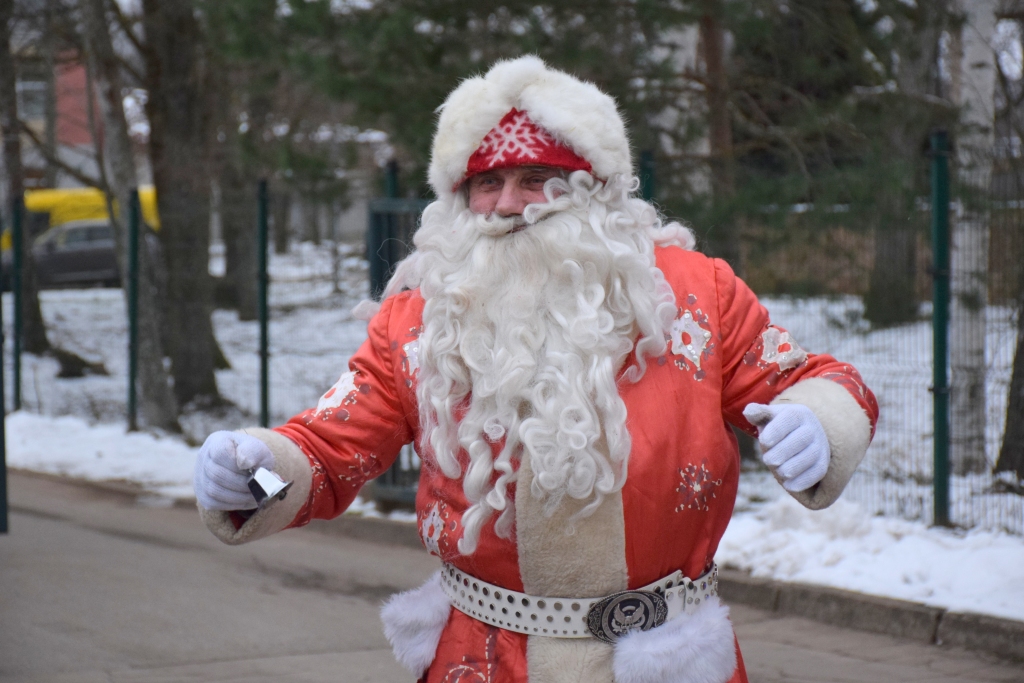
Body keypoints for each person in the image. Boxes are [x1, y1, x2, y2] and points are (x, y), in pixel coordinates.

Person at [193, 56, 878, 683]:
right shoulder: (420, 317)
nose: (509, 204)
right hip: (482, 661)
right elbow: (325, 444)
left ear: (594, 190)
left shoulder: (697, 294)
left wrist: (818, 421)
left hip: (666, 660)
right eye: (486, 184)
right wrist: (255, 471)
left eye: (537, 180)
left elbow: (811, 377)